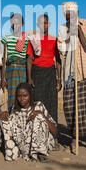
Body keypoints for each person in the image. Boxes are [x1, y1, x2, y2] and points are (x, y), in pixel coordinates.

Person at [58, 1, 86, 154]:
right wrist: (69, 35)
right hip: (70, 72)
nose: (70, 19)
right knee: (70, 107)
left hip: (85, 71)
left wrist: (78, 30)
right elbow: (62, 48)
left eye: (73, 16)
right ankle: (74, 140)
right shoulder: (63, 28)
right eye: (68, 17)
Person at [26, 14, 61, 147]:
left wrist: (59, 78)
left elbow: (58, 60)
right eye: (41, 23)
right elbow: (29, 58)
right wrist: (29, 78)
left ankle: (53, 138)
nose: (44, 25)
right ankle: (38, 137)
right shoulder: (33, 39)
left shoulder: (54, 39)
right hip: (36, 73)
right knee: (38, 104)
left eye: (46, 23)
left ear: (49, 24)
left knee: (52, 105)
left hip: (50, 73)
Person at [0, 82, 57, 162]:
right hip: (23, 143)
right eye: (19, 96)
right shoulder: (14, 109)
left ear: (30, 96)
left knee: (38, 117)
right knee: (4, 120)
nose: (22, 99)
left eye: (25, 96)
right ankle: (13, 152)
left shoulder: (38, 106)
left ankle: (40, 153)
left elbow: (54, 131)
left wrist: (42, 115)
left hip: (39, 142)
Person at [1, 13, 29, 110]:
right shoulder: (7, 38)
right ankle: (12, 115)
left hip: (22, 69)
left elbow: (29, 57)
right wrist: (2, 77)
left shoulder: (26, 38)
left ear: (22, 24)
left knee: (23, 93)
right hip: (11, 69)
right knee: (12, 94)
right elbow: (4, 58)